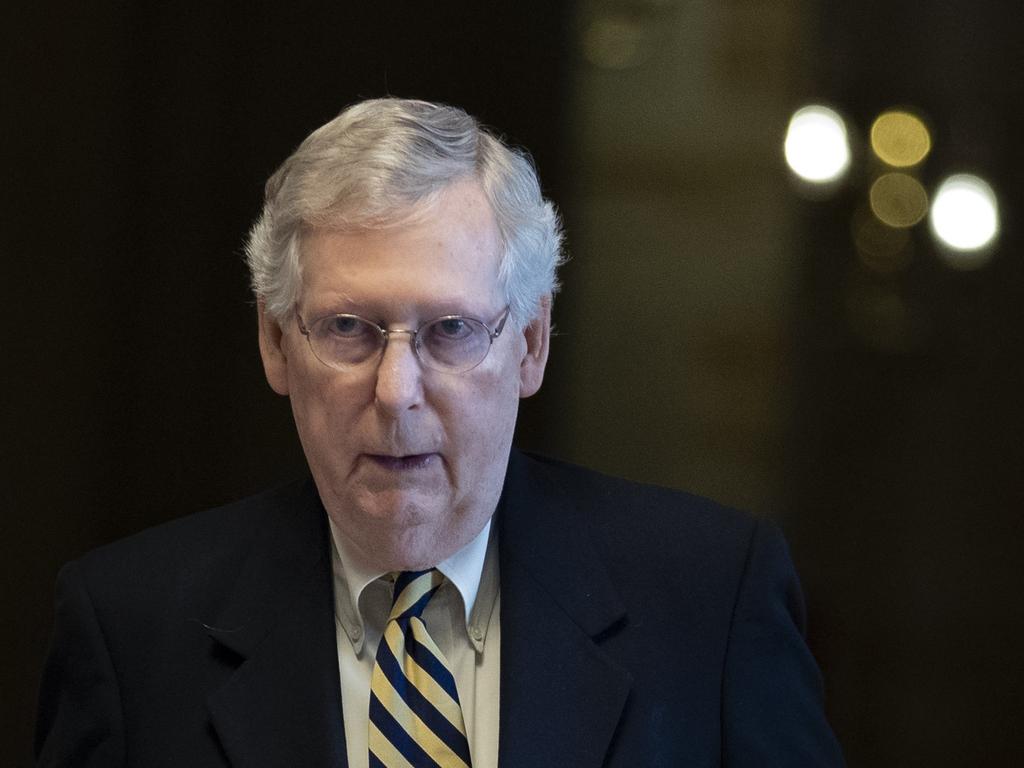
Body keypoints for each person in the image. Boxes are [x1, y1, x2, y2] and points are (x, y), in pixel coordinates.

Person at [35, 98, 845, 767]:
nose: (397, 393)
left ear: (530, 345)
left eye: (451, 329)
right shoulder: (133, 631)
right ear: (275, 343)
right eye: (349, 328)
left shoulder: (709, 602)